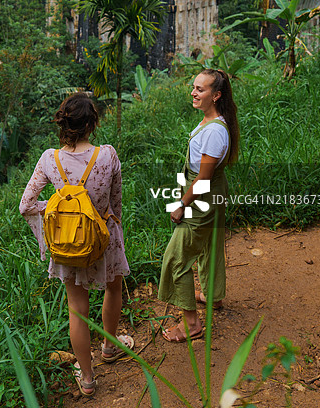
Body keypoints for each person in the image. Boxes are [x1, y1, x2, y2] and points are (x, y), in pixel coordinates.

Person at [19, 93, 133, 396]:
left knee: (76, 309)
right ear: (91, 123)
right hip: (103, 237)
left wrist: (54, 208)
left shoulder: (49, 159)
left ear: (63, 123)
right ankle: (109, 346)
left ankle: (87, 379)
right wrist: (111, 226)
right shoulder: (107, 155)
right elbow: (116, 203)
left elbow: (25, 205)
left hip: (68, 242)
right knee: (113, 287)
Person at [158, 68, 239, 342]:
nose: (194, 92)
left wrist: (182, 203)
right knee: (209, 245)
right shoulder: (211, 122)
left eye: (201, 89)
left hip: (202, 195)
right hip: (209, 191)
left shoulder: (215, 131)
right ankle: (211, 295)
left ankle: (191, 324)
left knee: (175, 259)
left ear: (215, 95)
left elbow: (203, 178)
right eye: (194, 87)